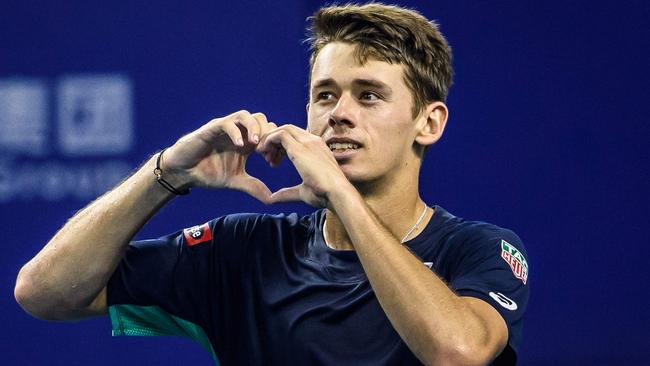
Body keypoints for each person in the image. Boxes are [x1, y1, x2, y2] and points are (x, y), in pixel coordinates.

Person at [14, 3, 529, 365]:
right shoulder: (245, 251)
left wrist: (341, 196)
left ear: (429, 123)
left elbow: (455, 353)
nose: (340, 115)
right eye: (325, 96)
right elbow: (45, 293)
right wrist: (165, 172)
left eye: (369, 96)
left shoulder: (479, 250)